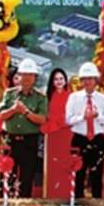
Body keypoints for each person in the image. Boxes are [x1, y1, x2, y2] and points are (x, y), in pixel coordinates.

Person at [0, 58, 47, 198]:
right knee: (6, 175)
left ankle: (24, 204)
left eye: (30, 75)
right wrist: (13, 109)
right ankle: (4, 203)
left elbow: (42, 119)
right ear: (19, 76)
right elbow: (1, 115)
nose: (27, 78)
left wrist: (25, 112)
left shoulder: (40, 97)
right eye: (24, 74)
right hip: (10, 140)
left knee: (27, 177)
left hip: (29, 141)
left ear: (35, 78)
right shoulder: (9, 94)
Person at [65, 62, 104, 198]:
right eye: (84, 79)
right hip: (79, 139)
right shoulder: (74, 97)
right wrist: (82, 117)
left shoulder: (102, 99)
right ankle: (77, 203)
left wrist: (98, 116)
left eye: (90, 78)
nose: (87, 82)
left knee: (97, 175)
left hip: (97, 140)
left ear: (96, 80)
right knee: (78, 174)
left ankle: (97, 204)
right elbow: (68, 120)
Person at [41, 68, 73, 198]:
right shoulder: (47, 97)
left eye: (61, 79)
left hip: (66, 135)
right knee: (53, 165)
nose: (59, 81)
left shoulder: (71, 96)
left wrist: (61, 121)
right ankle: (51, 195)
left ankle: (66, 195)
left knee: (65, 165)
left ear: (65, 80)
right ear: (52, 82)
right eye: (56, 79)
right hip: (52, 135)